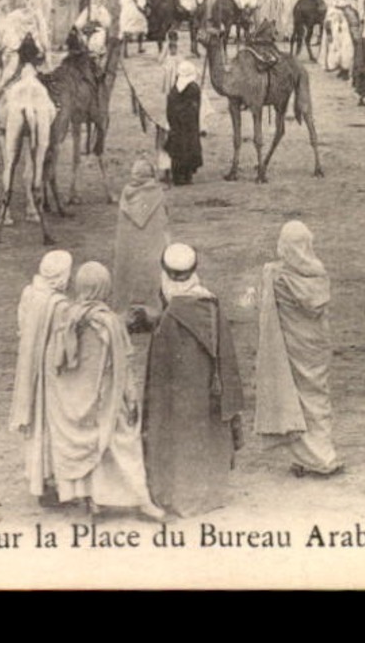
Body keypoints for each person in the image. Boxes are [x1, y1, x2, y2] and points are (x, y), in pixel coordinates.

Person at [45, 263, 167, 521]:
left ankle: (93, 500)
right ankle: (142, 501)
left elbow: (58, 364)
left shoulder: (67, 316)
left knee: (89, 443)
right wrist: (130, 397)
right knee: (125, 444)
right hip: (109, 398)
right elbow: (124, 364)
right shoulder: (109, 322)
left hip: (80, 401)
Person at [133, 243, 244, 518]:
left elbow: (159, 370)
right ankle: (209, 493)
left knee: (177, 435)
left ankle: (177, 494)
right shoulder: (211, 303)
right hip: (208, 388)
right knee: (206, 432)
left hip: (178, 394)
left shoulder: (170, 317)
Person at [251, 221, 342, 478]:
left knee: (297, 397)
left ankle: (312, 458)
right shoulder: (319, 273)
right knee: (318, 397)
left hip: (292, 346)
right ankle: (321, 454)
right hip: (316, 346)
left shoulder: (275, 276)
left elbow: (260, 306)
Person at [10, 250, 73, 507]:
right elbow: (63, 346)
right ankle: (52, 483)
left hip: (29, 367)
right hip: (50, 374)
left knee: (37, 427)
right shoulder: (60, 305)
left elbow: (22, 326)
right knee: (52, 427)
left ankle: (38, 480)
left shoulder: (29, 293)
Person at [113, 159, 172, 340]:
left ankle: (126, 313)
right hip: (151, 259)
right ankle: (152, 312)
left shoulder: (125, 195)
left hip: (129, 258)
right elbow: (164, 224)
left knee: (126, 270)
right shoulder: (159, 194)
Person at [164, 60, 203, 186]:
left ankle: (182, 176)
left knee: (179, 151)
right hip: (187, 127)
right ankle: (186, 175)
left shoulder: (174, 91)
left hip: (178, 128)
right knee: (187, 149)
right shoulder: (193, 89)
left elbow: (170, 110)